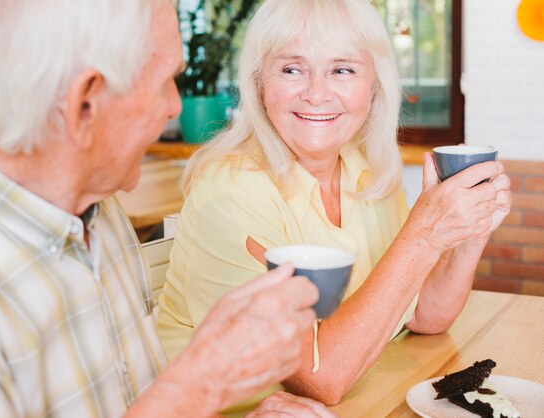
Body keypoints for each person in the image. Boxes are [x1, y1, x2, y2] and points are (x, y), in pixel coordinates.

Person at [0, 0, 338, 417]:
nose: (175, 106)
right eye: (164, 83)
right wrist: (200, 385)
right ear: (85, 104)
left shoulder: (98, 209)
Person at [156, 0, 512, 414]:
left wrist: (468, 234)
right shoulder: (232, 189)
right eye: (292, 69)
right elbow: (318, 379)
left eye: (342, 70)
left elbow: (424, 317)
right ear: (258, 85)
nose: (317, 94)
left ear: (375, 86)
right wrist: (425, 233)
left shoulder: (365, 172)